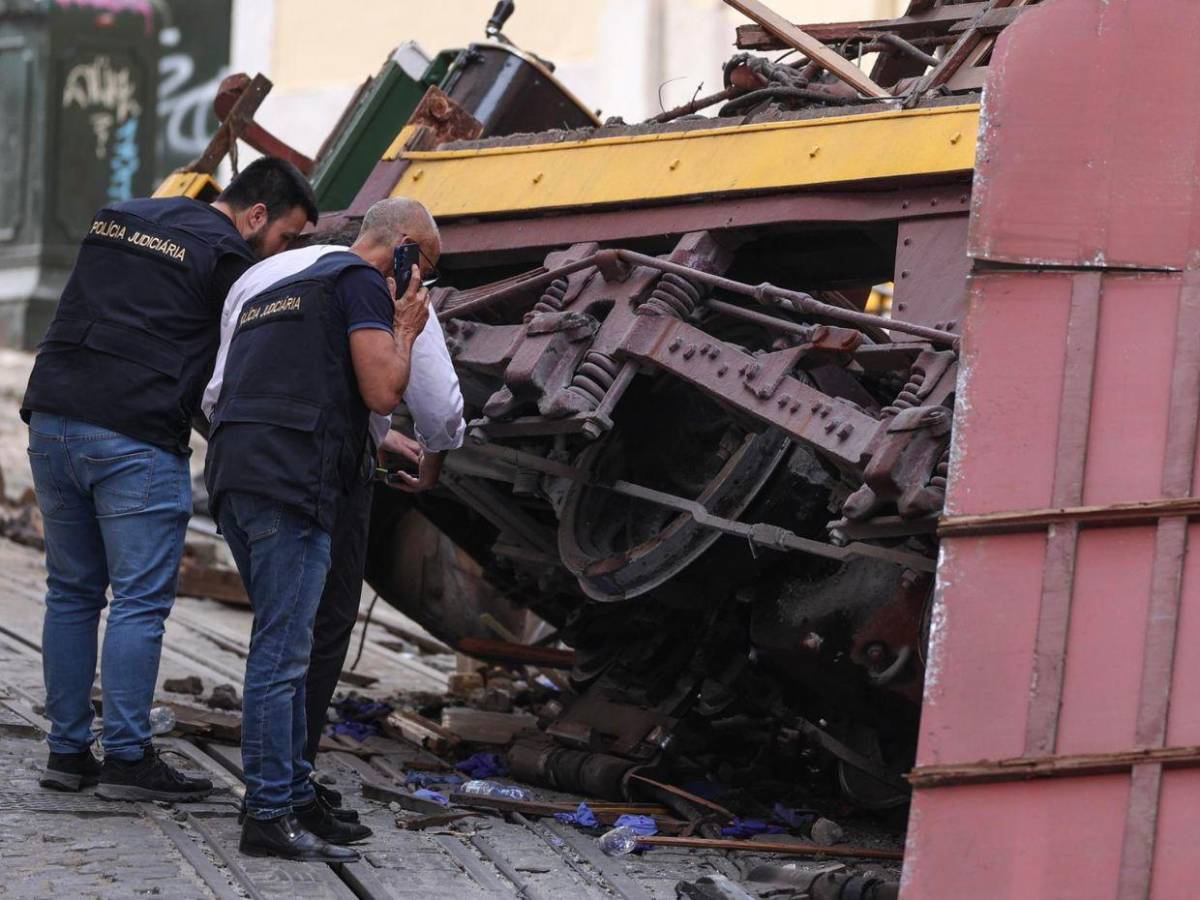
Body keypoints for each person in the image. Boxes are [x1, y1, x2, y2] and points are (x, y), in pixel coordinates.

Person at [22, 158, 318, 803]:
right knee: (137, 601)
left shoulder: (120, 216)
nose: (283, 252)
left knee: (71, 592)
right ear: (256, 215)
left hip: (52, 418)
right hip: (133, 436)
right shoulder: (229, 262)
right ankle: (127, 757)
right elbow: (233, 374)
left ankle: (67, 752)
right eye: (287, 238)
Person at [200, 213, 463, 831]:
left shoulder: (266, 283)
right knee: (286, 651)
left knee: (284, 638)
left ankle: (292, 793)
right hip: (295, 480)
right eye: (424, 265)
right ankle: (268, 811)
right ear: (404, 252)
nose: (423, 281)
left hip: (237, 469)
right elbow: (389, 394)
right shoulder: (366, 284)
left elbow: (218, 393)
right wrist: (405, 323)